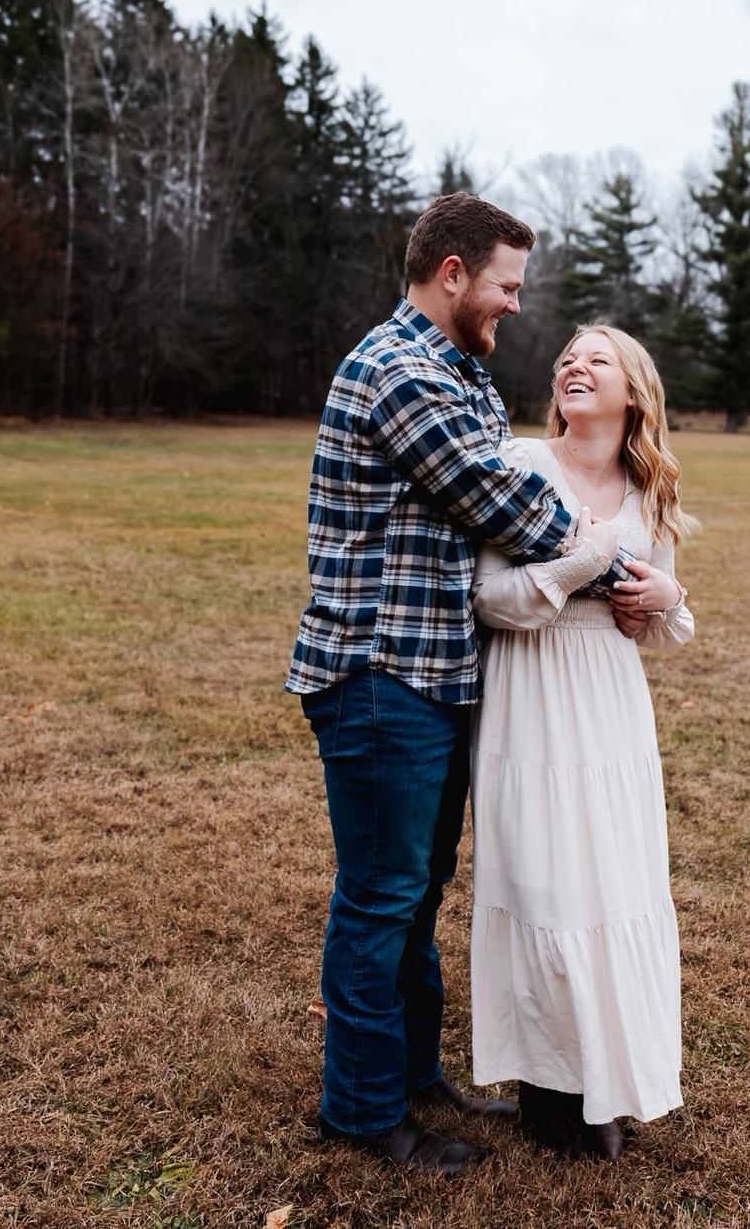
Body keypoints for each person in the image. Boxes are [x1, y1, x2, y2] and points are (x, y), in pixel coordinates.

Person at [284, 195, 628, 1174]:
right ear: (451, 274)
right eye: (505, 285)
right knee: (381, 896)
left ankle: (411, 1075)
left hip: (434, 674)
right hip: (379, 674)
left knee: (419, 891)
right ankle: (361, 1113)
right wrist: (612, 557)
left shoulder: (458, 372)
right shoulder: (400, 371)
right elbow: (502, 502)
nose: (515, 304)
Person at [470, 323, 695, 1160]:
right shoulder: (522, 464)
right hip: (530, 692)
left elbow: (663, 622)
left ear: (632, 392)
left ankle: (608, 1077)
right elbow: (489, 600)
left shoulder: (650, 491)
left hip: (610, 705)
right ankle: (549, 1091)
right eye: (568, 357)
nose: (575, 365)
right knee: (543, 882)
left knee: (611, 884)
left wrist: (665, 596)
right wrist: (577, 566)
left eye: (597, 359)